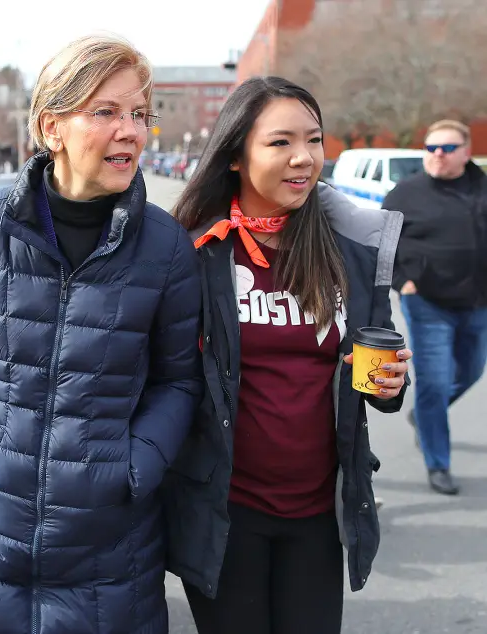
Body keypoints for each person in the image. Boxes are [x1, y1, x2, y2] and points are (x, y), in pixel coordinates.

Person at [0, 34, 204, 634]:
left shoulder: (165, 247)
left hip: (112, 541)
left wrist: (134, 466)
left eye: (139, 114)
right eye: (106, 112)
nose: (131, 131)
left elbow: (178, 381)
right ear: (52, 127)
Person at [166, 76, 413, 634]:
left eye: (314, 140)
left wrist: (389, 384)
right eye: (280, 142)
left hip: (319, 512)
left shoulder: (349, 246)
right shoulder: (195, 250)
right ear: (236, 155)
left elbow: (378, 363)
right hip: (225, 512)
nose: (303, 158)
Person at [383, 119, 487, 495]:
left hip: (478, 303)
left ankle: (424, 415)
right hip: (427, 303)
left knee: (472, 372)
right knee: (434, 381)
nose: (437, 155)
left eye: (446, 148)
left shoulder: (481, 189)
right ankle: (438, 462)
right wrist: (403, 284)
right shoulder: (404, 194)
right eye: (431, 148)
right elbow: (382, 247)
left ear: (465, 151)